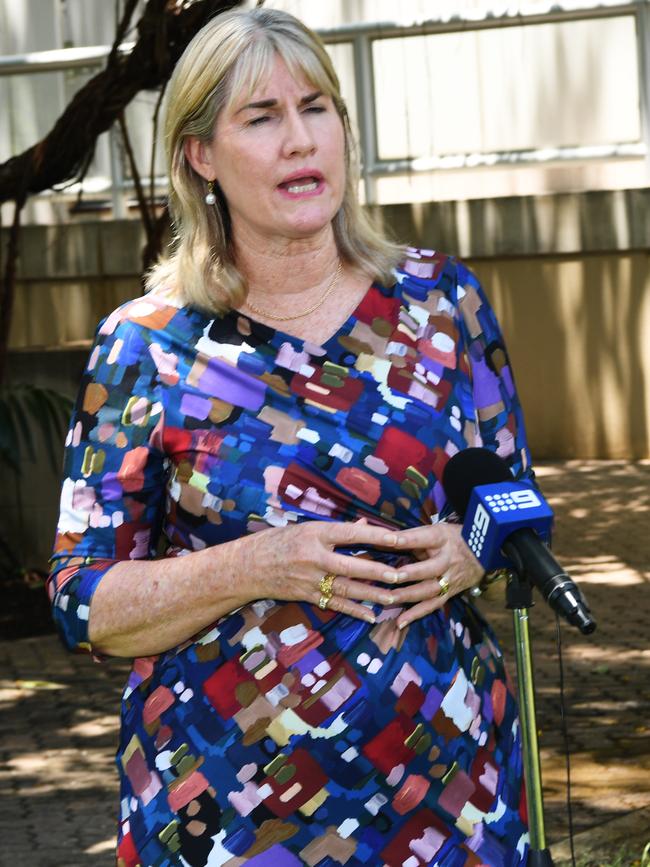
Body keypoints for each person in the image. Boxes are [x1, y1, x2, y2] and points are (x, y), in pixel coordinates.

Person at [48, 8, 533, 866]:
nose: (300, 140)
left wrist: (473, 552)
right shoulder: (148, 345)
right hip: (231, 816)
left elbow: (513, 498)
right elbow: (85, 601)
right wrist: (256, 564)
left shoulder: (442, 304)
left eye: (317, 109)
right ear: (200, 155)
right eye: (261, 118)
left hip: (448, 797)